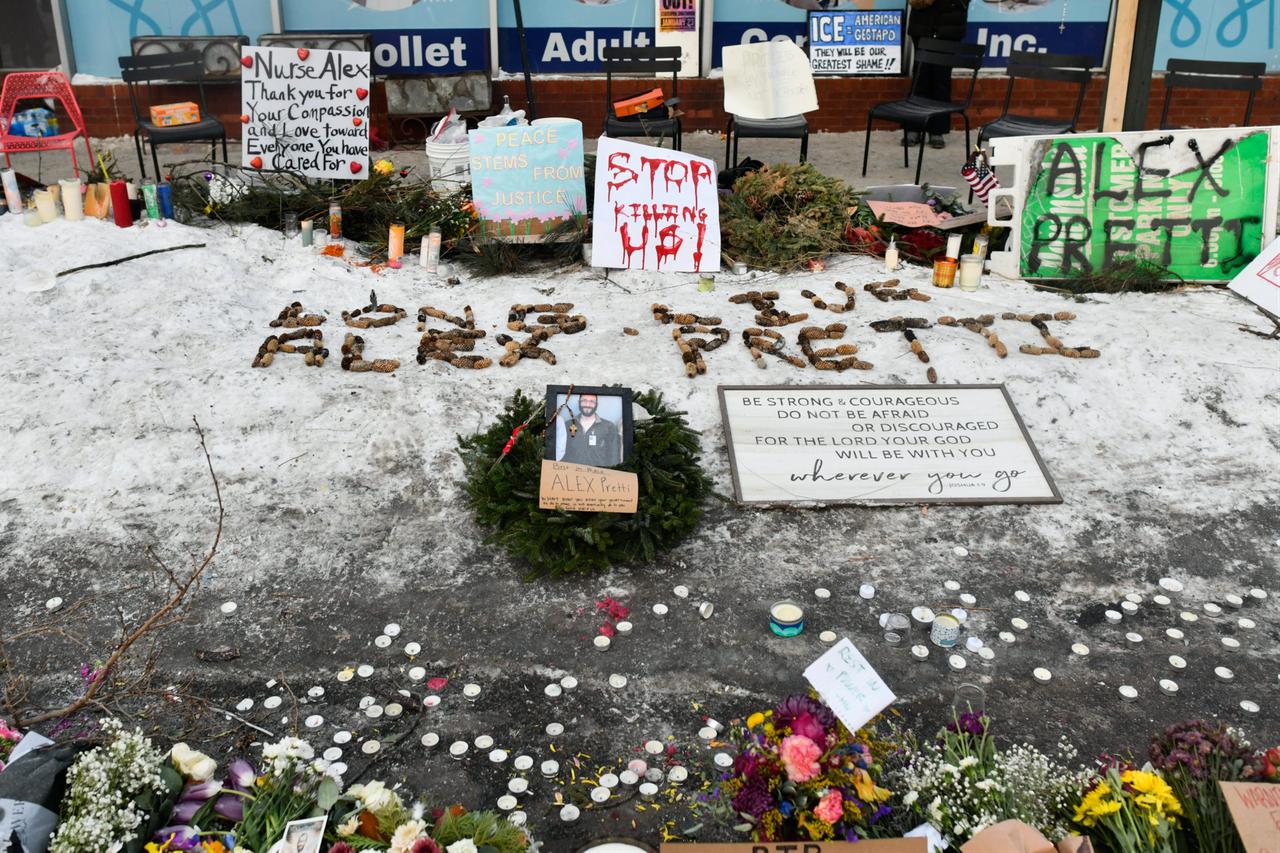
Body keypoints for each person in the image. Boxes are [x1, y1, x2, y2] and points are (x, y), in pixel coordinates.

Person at [905, 0, 971, 149]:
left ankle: (937, 130)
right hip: (922, 24)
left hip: (950, 26)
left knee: (941, 80)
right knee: (920, 78)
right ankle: (914, 126)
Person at [560, 393, 622, 467]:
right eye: (584, 400)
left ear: (597, 404)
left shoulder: (609, 427)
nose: (587, 404)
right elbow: (561, 452)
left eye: (592, 401)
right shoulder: (567, 425)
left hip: (598, 473)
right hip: (572, 472)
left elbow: (614, 457)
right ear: (579, 402)